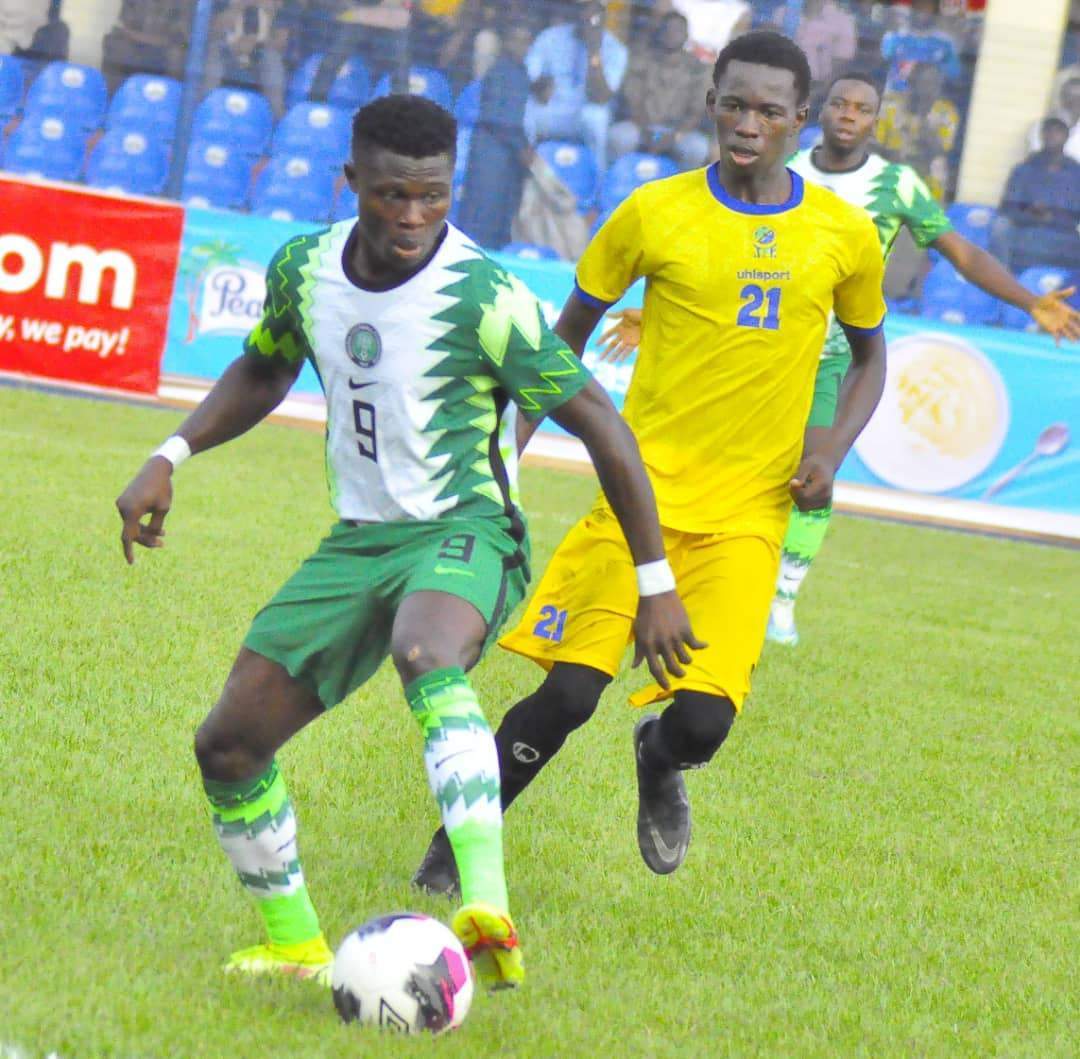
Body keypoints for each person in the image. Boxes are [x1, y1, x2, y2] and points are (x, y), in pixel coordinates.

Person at [114, 95, 698, 990]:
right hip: (358, 543)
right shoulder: (305, 269)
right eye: (392, 195)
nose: (414, 216)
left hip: (469, 532)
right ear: (352, 182)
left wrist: (655, 581)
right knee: (227, 744)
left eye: (432, 195)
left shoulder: (483, 292)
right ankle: (294, 942)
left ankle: (485, 905)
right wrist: (170, 452)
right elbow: (266, 366)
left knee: (425, 649)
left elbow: (602, 426)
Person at [413, 31, 889, 895]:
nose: (749, 123)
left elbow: (869, 357)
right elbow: (560, 342)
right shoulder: (652, 212)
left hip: (747, 516)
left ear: (801, 120)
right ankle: (459, 840)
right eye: (735, 104)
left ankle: (658, 757)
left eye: (770, 111)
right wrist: (503, 462)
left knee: (704, 722)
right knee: (564, 700)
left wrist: (831, 447)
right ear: (711, 102)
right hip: (636, 500)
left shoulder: (843, 235)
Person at [590, 73, 1080, 648]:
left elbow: (961, 252)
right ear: (815, 114)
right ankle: (671, 577)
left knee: (813, 470)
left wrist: (1029, 301)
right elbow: (712, 240)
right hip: (745, 346)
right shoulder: (776, 165)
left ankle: (784, 597)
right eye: (840, 104)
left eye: (863, 108)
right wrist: (656, 313)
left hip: (829, 360)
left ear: (877, 120)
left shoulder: (897, 185)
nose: (849, 115)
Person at [524, 0, 629, 173]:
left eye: (593, 11)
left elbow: (601, 97)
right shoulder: (551, 37)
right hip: (552, 109)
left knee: (596, 116)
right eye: (583, 9)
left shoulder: (615, 49)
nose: (587, 16)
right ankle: (528, 174)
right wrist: (541, 84)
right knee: (528, 109)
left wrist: (593, 52)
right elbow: (530, 76)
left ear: (603, 16)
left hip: (584, 114)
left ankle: (596, 180)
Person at [456, 23, 534, 249]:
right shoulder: (502, 70)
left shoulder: (520, 71)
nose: (523, 46)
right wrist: (523, 148)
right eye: (517, 39)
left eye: (527, 40)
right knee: (481, 224)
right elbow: (500, 120)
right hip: (491, 158)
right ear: (507, 42)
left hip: (504, 161)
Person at [608, 10, 712, 171]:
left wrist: (675, 136)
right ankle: (615, 187)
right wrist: (645, 131)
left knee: (697, 148)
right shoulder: (641, 60)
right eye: (667, 29)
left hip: (678, 132)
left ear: (686, 36)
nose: (672, 34)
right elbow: (632, 101)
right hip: (639, 126)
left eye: (677, 30)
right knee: (619, 137)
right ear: (660, 33)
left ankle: (681, 192)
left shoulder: (698, 69)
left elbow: (696, 112)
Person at [993, 117, 1080, 274]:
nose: (1052, 135)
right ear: (1041, 135)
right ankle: (1002, 281)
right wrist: (1031, 214)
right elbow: (1006, 208)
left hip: (1063, 234)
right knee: (1000, 226)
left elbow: (1076, 214)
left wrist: (1053, 218)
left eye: (1057, 131)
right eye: (1048, 130)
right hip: (1026, 227)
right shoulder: (1023, 169)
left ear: (1066, 137)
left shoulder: (1075, 172)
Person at [876, 61, 958, 200]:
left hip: (925, 172)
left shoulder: (945, 112)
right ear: (911, 84)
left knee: (938, 166)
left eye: (935, 85)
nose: (930, 90)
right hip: (891, 168)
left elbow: (940, 151)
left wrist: (924, 120)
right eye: (925, 83)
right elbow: (876, 146)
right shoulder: (890, 106)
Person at [879, 0, 960, 95]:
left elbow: (954, 75)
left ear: (935, 9)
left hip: (931, 100)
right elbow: (881, 69)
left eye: (927, 7)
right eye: (919, 6)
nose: (922, 11)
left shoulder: (945, 43)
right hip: (895, 97)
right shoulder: (894, 38)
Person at [1027, 75, 1080, 164]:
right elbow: (1038, 158)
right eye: (1068, 96)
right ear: (1061, 97)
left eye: (1077, 98)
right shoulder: (1040, 127)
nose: (1072, 102)